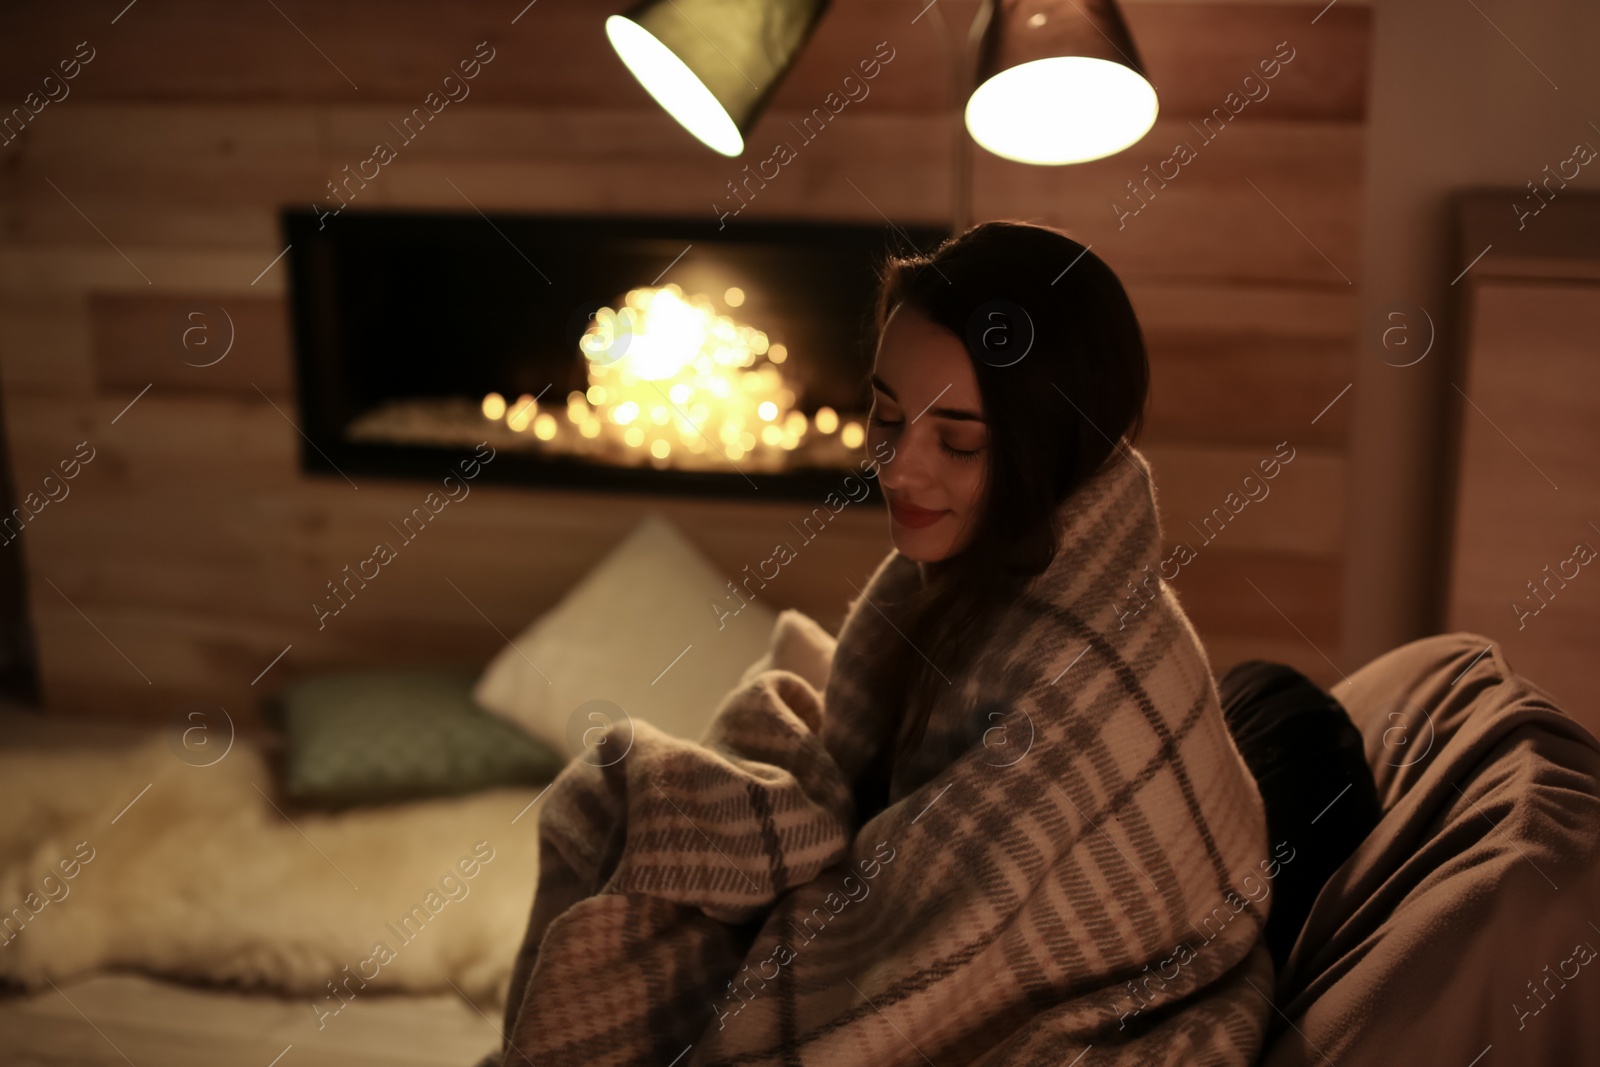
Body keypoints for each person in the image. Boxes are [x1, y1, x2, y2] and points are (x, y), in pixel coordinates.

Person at [488, 221, 1289, 1066]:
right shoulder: (965, 577)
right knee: (613, 794)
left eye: (959, 441)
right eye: (886, 414)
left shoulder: (1086, 670)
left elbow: (909, 960)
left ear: (1053, 445)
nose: (900, 468)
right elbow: (872, 791)